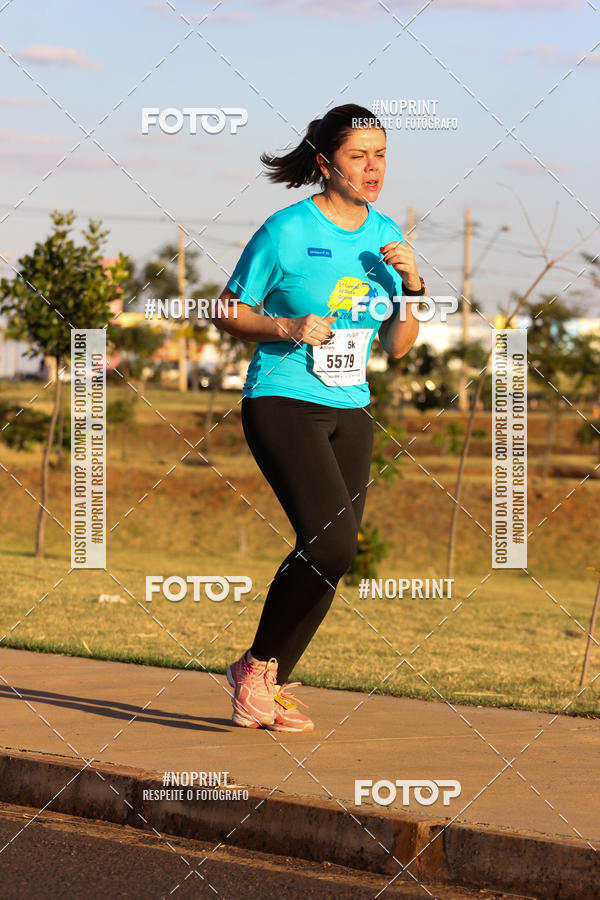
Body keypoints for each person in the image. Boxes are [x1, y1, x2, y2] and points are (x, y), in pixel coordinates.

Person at [212, 103, 425, 733]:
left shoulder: (385, 234)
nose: (372, 168)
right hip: (281, 399)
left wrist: (413, 287)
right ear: (324, 162)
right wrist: (287, 326)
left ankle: (264, 678)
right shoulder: (284, 230)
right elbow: (227, 310)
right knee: (329, 540)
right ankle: (255, 670)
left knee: (334, 554)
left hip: (351, 409)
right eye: (358, 155)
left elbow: (399, 346)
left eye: (380, 154)